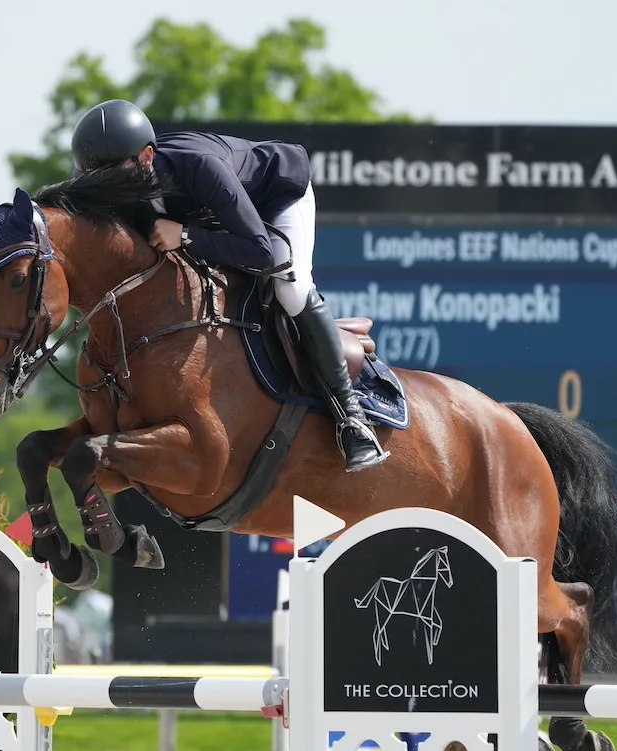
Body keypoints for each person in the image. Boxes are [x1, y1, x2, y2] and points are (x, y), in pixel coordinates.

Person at [70, 99, 389, 474]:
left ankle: (352, 419)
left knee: (290, 288)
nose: (108, 191)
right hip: (218, 219)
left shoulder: (199, 168)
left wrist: (186, 235)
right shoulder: (115, 176)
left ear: (146, 158)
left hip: (276, 200)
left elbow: (264, 253)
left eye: (114, 178)